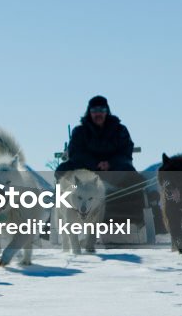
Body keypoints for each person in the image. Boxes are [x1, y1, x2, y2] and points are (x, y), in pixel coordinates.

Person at [55, 95, 150, 227]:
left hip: (115, 171)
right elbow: (76, 153)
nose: (98, 113)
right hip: (86, 173)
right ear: (90, 112)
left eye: (101, 109)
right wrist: (95, 164)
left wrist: (110, 163)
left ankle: (138, 219)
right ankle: (65, 216)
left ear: (107, 111)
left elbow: (125, 152)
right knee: (62, 171)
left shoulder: (120, 130)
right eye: (94, 110)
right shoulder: (79, 131)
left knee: (136, 180)